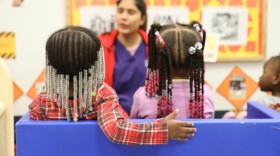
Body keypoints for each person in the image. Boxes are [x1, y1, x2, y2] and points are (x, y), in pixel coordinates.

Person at [28, 26, 197, 145]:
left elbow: (33, 138)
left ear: (51, 66)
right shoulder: (102, 95)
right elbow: (117, 131)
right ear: (96, 63)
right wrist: (163, 129)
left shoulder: (42, 102)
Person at [130, 22, 215, 119]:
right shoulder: (205, 94)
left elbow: (132, 130)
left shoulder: (143, 96)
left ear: (157, 60)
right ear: (196, 60)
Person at [99, 0, 148, 115]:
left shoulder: (154, 47)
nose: (124, 17)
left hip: (148, 117)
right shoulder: (101, 46)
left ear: (142, 19)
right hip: (112, 116)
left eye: (131, 12)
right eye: (120, 11)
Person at [223, 54, 280, 118]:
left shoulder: (262, 103)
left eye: (264, 72)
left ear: (276, 78)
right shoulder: (262, 102)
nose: (260, 77)